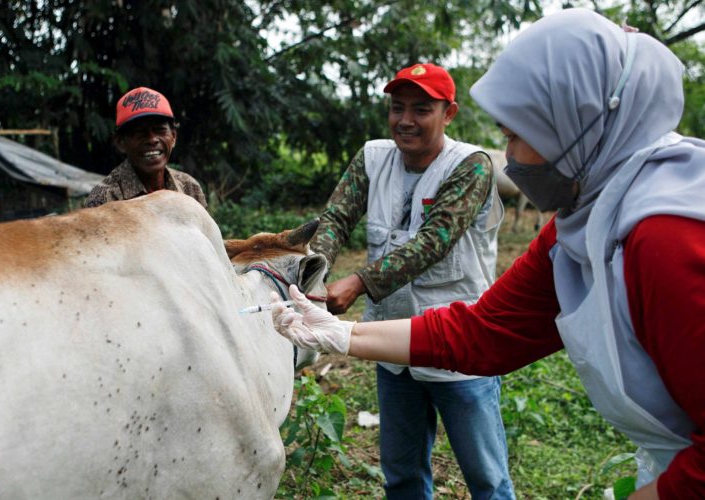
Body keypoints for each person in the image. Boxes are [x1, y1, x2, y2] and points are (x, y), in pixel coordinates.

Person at [272, 8, 705, 499]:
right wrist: (342, 334)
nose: (512, 159)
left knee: (487, 477)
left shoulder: (666, 239)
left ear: (576, 127)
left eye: (517, 136)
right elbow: (484, 330)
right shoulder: (580, 229)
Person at [308, 62, 514, 499]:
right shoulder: (372, 157)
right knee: (401, 476)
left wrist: (357, 281)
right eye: (397, 107)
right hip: (394, 346)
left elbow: (434, 241)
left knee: (487, 480)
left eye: (421, 109)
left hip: (460, 348)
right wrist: (316, 272)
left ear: (449, 113)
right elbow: (336, 218)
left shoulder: (471, 166)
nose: (405, 120)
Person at [84, 87, 207, 208]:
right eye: (139, 132)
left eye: (160, 130)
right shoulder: (103, 200)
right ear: (120, 143)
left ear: (173, 137)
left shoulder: (189, 188)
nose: (152, 139)